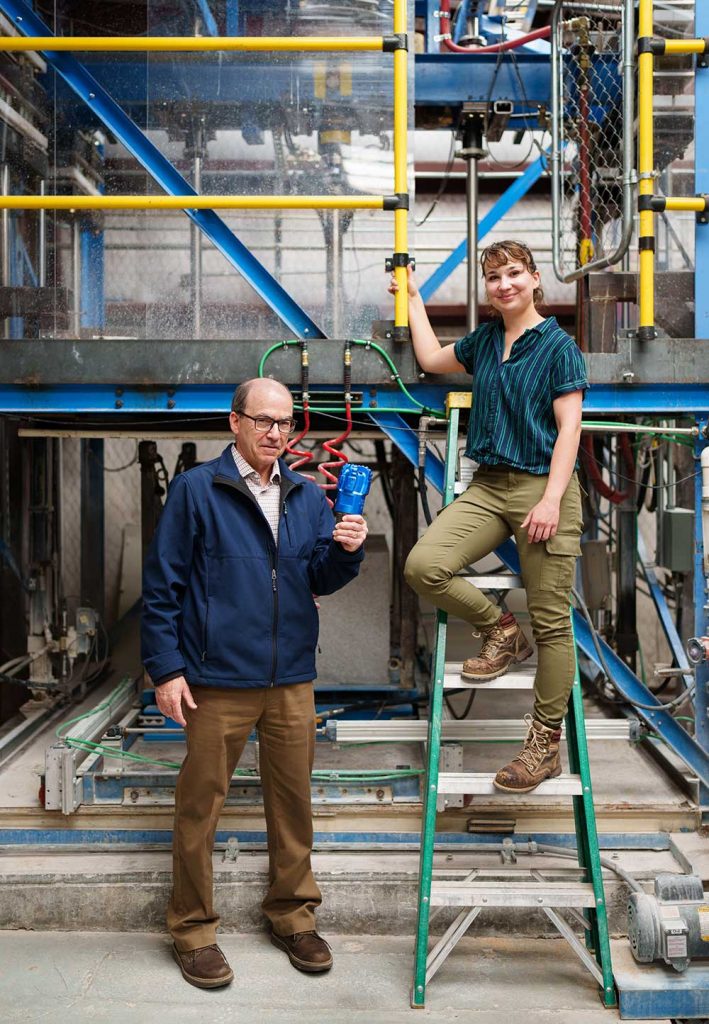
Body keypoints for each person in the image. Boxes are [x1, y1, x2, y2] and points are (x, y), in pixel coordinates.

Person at [141, 377, 368, 988]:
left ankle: (293, 917)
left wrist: (347, 549)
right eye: (263, 421)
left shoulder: (306, 495)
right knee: (200, 807)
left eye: (285, 423)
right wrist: (166, 668)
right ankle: (193, 930)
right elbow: (162, 586)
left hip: (291, 678)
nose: (275, 433)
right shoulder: (198, 490)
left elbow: (318, 576)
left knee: (293, 806)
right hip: (216, 679)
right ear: (234, 423)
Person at [392, 240, 587, 794]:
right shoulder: (484, 341)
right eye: (494, 277)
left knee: (551, 624)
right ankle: (501, 631)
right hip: (489, 486)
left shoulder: (557, 348)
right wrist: (412, 297)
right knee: (423, 565)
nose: (504, 284)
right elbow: (431, 361)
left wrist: (550, 500)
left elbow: (569, 429)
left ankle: (542, 745)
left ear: (534, 279)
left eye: (514, 274)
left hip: (541, 488)